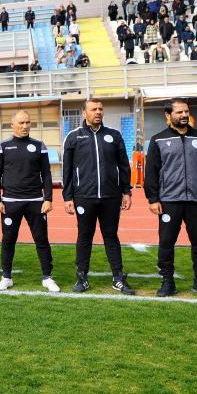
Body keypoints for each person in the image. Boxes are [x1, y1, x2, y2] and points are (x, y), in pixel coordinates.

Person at [144, 98, 197, 298]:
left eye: (186, 111)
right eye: (179, 112)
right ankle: (167, 281)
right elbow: (151, 171)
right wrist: (153, 198)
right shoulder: (158, 140)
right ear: (168, 115)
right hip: (169, 200)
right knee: (166, 242)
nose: (184, 115)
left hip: (196, 200)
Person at [62, 98, 135, 295]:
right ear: (84, 113)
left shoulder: (114, 135)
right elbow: (67, 170)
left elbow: (124, 166)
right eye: (93, 109)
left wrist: (126, 191)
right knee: (84, 236)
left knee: (111, 236)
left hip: (111, 196)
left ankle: (118, 278)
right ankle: (82, 278)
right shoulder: (73, 137)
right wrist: (67, 197)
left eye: (100, 109)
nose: (98, 112)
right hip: (84, 196)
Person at [0, 110, 58, 292]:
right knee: (8, 240)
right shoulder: (2, 146)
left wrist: (48, 198)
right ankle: (6, 277)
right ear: (12, 124)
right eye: (21, 122)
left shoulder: (39, 145)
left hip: (36, 201)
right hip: (10, 202)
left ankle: (47, 277)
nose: (25, 126)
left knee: (41, 239)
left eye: (28, 122)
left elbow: (46, 174)